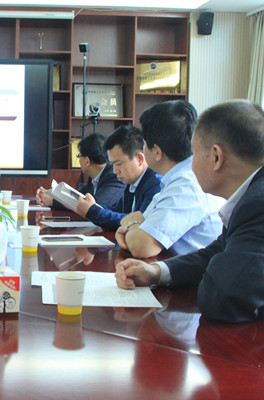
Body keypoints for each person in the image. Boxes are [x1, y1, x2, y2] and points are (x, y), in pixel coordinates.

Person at [116, 100, 264, 323]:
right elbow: (215, 252)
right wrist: (156, 272)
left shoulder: (257, 206)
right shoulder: (249, 199)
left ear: (216, 157)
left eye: (194, 154)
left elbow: (221, 298)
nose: (189, 163)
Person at [115, 100, 223, 258]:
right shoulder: (175, 179)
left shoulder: (187, 184)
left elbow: (141, 246)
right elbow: (140, 224)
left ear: (157, 152)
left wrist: (131, 224)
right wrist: (134, 226)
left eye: (145, 143)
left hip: (196, 273)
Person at [76, 125, 162, 231]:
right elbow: (118, 212)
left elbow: (138, 222)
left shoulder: (156, 184)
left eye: (118, 164)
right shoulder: (133, 183)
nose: (115, 171)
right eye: (112, 164)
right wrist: (92, 207)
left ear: (139, 159)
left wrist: (94, 211)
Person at [36, 132, 124, 210]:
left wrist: (52, 201)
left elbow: (95, 207)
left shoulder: (114, 177)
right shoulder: (95, 176)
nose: (78, 159)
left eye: (79, 155)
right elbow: (77, 196)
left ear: (87, 161)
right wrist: (52, 194)